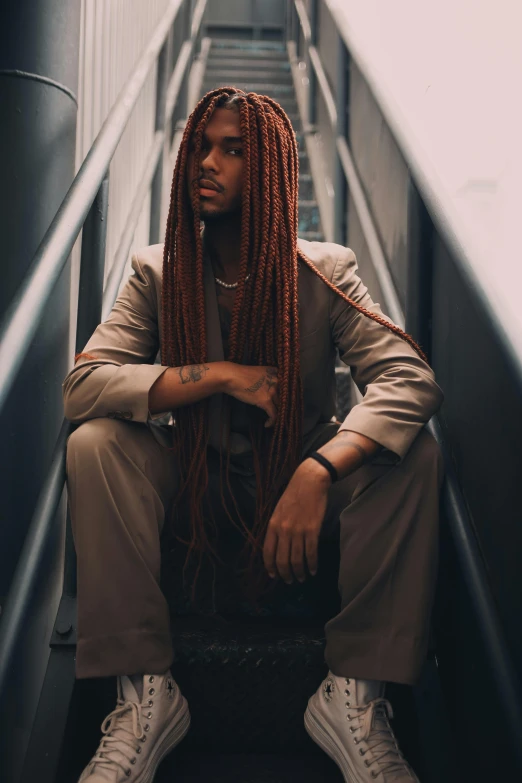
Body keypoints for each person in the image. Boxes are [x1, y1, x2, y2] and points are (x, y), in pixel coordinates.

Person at [64, 87, 444, 783]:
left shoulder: (325, 270)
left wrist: (319, 470)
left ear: (268, 167)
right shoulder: (160, 271)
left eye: (232, 149)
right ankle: (144, 694)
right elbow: (83, 385)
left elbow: (410, 379)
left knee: (413, 451)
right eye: (202, 146)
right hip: (196, 492)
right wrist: (217, 376)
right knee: (94, 443)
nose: (207, 163)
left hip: (301, 493)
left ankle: (355, 697)